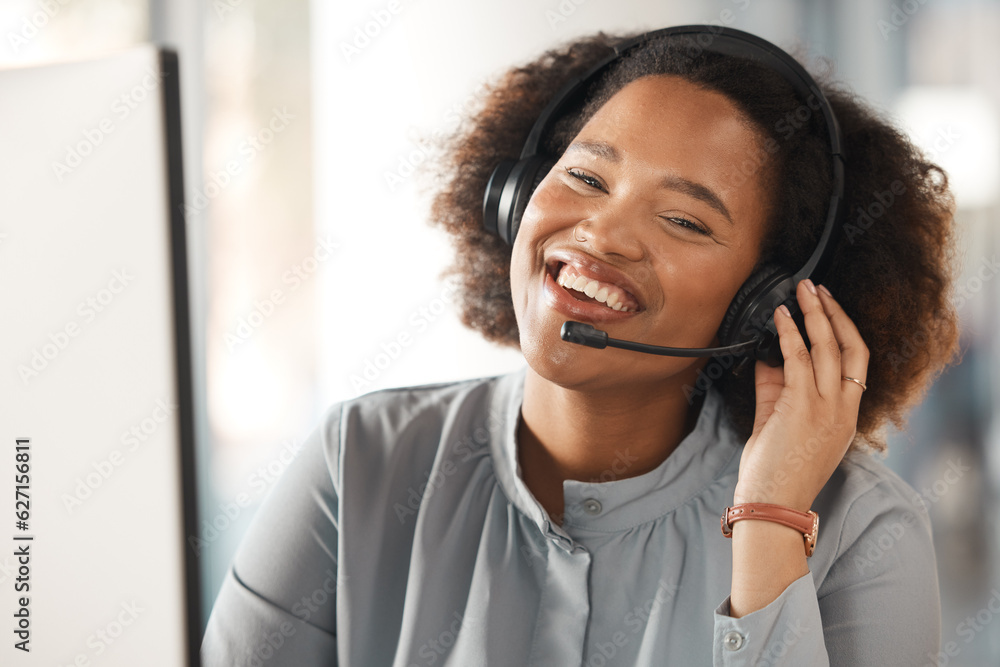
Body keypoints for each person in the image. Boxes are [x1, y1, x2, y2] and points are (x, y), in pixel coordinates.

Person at [202, 26, 961, 666]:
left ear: (763, 306)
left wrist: (768, 525)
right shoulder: (362, 460)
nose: (602, 232)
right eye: (587, 176)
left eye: (686, 221)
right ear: (514, 197)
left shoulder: (861, 525)